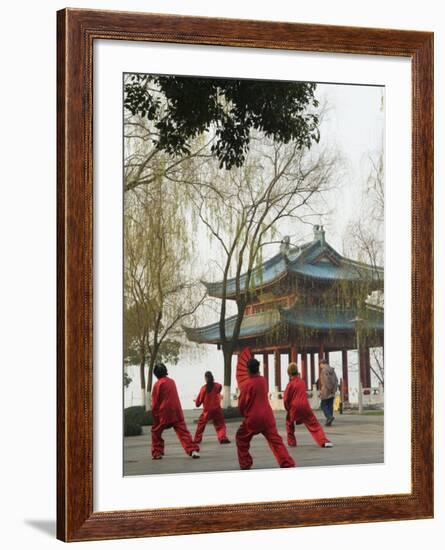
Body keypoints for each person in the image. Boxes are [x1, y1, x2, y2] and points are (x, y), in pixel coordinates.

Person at [236, 358, 295, 470]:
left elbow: (242, 404)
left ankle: (245, 463)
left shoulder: (246, 385)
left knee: (240, 437)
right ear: (258, 368)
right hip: (268, 417)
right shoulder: (263, 380)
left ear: (248, 370)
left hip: (253, 419)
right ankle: (287, 463)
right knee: (276, 442)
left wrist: (244, 414)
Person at [151, 363, 200, 460]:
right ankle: (193, 450)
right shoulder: (172, 381)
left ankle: (157, 453)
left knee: (155, 432)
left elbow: (155, 403)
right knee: (183, 433)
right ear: (165, 371)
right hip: (177, 412)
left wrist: (155, 417)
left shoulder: (157, 384)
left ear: (156, 374)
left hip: (164, 413)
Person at [284, 363, 333, 448]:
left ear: (289, 373)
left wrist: (288, 409)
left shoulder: (289, 385)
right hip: (305, 406)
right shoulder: (302, 382)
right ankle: (324, 441)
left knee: (289, 422)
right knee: (314, 424)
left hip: (294, 407)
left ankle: (291, 442)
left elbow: (286, 399)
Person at [194, 371, 230, 444]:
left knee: (201, 424)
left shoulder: (203, 389)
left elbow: (197, 403)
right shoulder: (217, 386)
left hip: (207, 411)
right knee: (220, 424)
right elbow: (220, 387)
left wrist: (197, 401)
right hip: (217, 410)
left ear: (205, 378)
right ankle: (222, 437)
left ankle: (197, 440)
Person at [318, 358, 338, 426]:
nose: (320, 366)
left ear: (322, 364)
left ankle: (329, 417)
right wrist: (334, 390)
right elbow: (336, 380)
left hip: (326, 391)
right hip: (332, 391)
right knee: (330, 405)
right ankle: (329, 421)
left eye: (320, 364)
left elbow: (326, 381)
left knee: (323, 405)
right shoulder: (332, 370)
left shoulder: (324, 370)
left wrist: (329, 388)